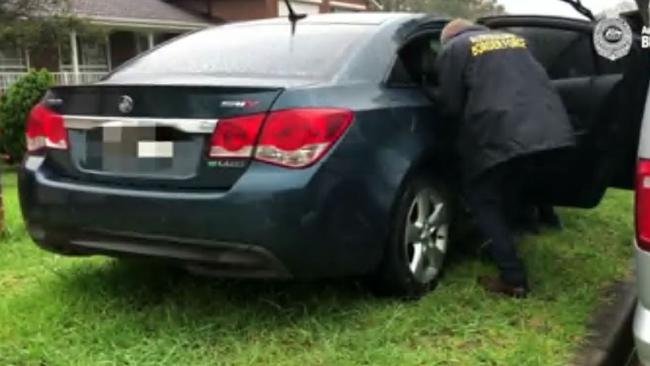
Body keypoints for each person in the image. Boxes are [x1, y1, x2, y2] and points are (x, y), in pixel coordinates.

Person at [435, 19, 576, 298]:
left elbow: (450, 104)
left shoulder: (455, 48)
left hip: (500, 131)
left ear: (449, 37)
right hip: (549, 125)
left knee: (482, 198)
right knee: (511, 185)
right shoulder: (515, 40)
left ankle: (513, 278)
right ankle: (515, 233)